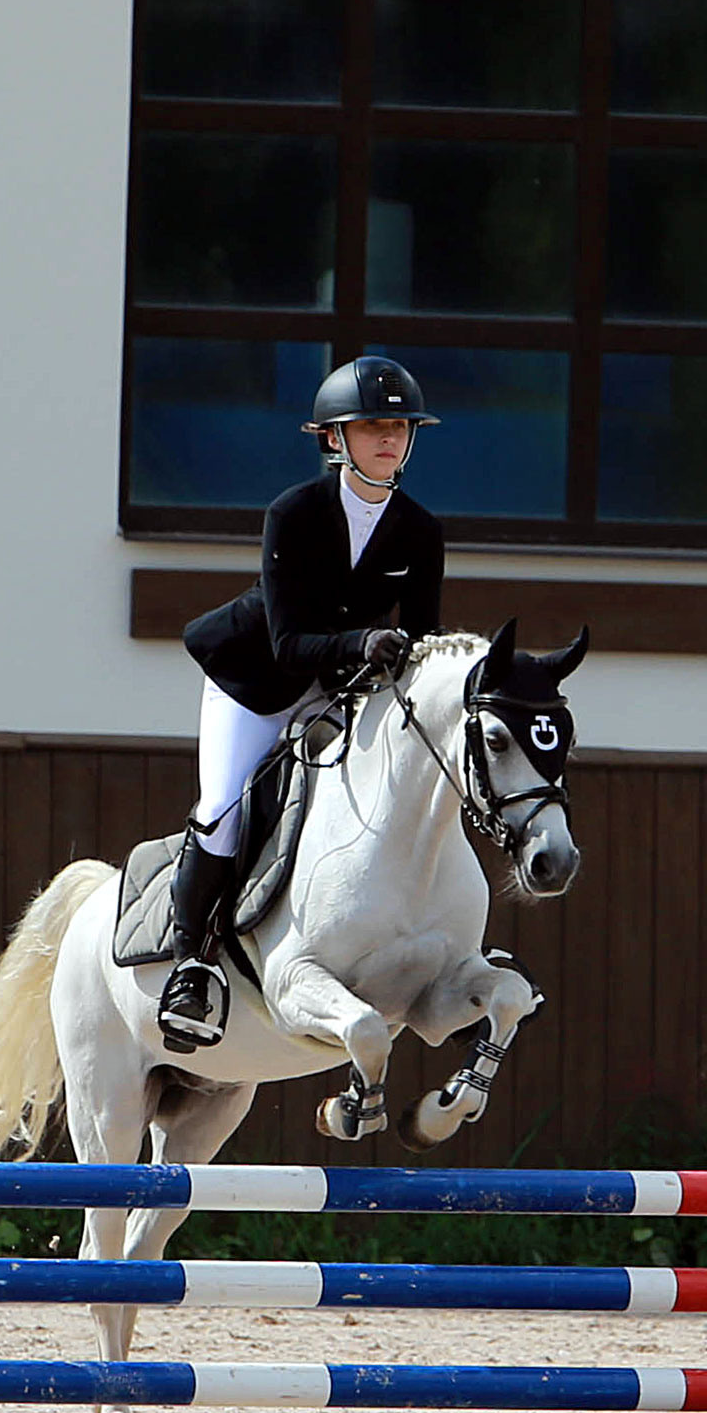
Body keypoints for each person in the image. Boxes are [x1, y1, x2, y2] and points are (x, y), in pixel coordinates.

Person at [159, 355, 446, 1052]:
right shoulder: (292, 513)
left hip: (345, 686)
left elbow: (425, 641)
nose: (389, 438)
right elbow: (288, 643)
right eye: (372, 426)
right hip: (256, 681)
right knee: (225, 809)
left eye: (400, 427)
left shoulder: (421, 530)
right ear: (333, 440)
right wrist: (367, 641)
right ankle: (190, 964)